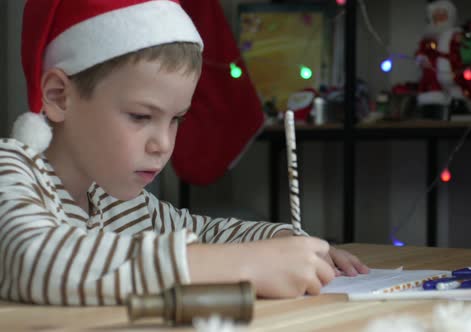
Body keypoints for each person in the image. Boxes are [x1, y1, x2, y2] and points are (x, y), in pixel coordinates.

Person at [0, 0, 368, 306]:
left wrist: (288, 242)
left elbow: (205, 231)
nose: (163, 143)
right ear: (59, 96)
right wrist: (241, 265)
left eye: (176, 119)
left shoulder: (118, 202)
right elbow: (33, 260)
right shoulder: (11, 171)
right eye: (141, 116)